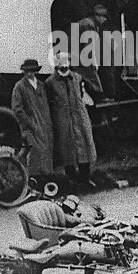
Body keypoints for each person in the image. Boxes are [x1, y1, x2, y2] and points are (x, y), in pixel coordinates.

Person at [46, 50, 97, 190]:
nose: (64, 69)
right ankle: (72, 179)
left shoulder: (77, 78)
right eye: (61, 66)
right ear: (56, 66)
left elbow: (85, 95)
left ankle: (85, 178)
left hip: (79, 118)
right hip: (63, 120)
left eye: (66, 65)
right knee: (66, 150)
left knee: (84, 148)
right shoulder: (50, 83)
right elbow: (50, 103)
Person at [11, 58, 54, 177]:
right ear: (24, 72)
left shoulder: (41, 85)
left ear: (36, 71)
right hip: (29, 128)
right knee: (35, 153)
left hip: (44, 126)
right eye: (27, 71)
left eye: (32, 71)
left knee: (46, 152)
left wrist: (47, 123)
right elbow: (17, 109)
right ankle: (31, 181)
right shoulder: (19, 86)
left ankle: (47, 182)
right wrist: (30, 123)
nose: (30, 73)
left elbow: (47, 105)